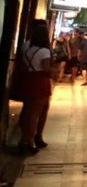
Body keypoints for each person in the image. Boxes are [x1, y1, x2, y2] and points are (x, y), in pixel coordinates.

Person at [17, 19, 55, 155]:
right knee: (36, 112)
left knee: (28, 111)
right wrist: (53, 70)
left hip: (29, 79)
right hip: (40, 81)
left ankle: (24, 139)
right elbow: (45, 68)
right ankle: (30, 140)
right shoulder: (44, 50)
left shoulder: (28, 48)